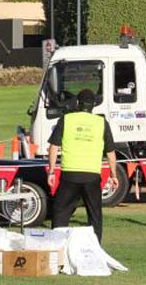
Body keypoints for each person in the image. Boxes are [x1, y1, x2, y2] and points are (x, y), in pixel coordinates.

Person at [47, 89, 117, 241]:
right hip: (92, 176)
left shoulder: (66, 119)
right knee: (95, 215)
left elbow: (53, 147)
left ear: (78, 103)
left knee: (60, 212)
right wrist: (114, 175)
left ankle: (58, 245)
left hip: (70, 175)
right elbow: (110, 152)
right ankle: (95, 247)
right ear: (93, 105)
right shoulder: (101, 122)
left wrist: (51, 172)